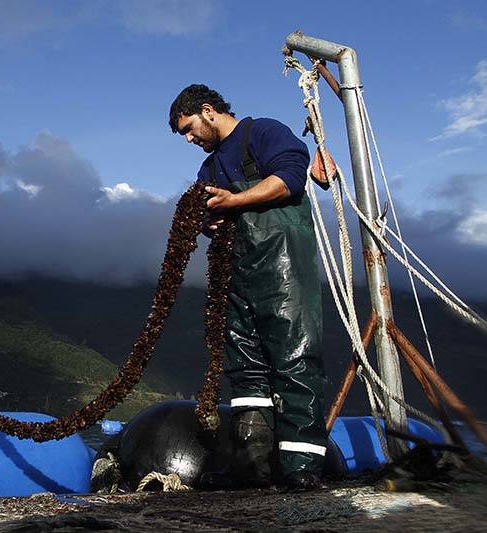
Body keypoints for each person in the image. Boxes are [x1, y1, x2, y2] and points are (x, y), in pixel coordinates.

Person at [169, 84, 327, 491]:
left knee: (293, 356)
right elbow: (212, 213)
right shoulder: (210, 168)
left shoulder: (263, 133)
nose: (189, 139)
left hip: (283, 264)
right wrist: (209, 221)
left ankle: (302, 467)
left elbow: (290, 179)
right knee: (245, 368)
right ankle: (252, 466)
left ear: (208, 111)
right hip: (236, 273)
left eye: (189, 129)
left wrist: (235, 203)